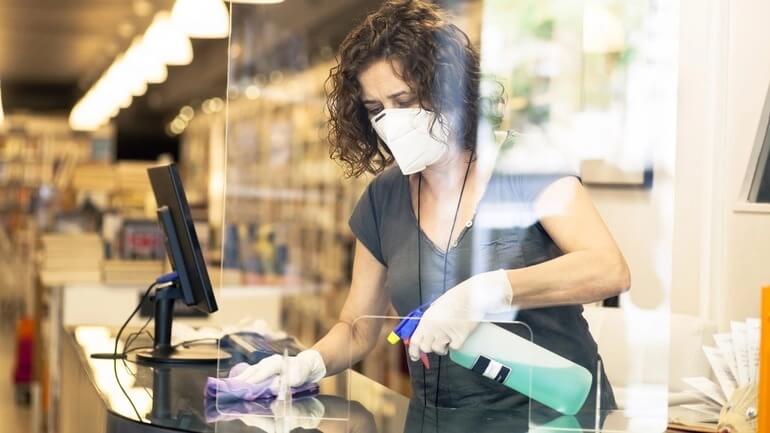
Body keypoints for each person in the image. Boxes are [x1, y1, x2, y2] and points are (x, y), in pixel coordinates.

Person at [234, 0, 630, 414]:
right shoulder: (383, 198)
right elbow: (356, 328)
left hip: (551, 415)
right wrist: (305, 364)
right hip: (440, 417)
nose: (392, 120)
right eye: (376, 109)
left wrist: (488, 291)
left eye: (404, 100)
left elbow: (608, 268)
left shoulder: (526, 167)